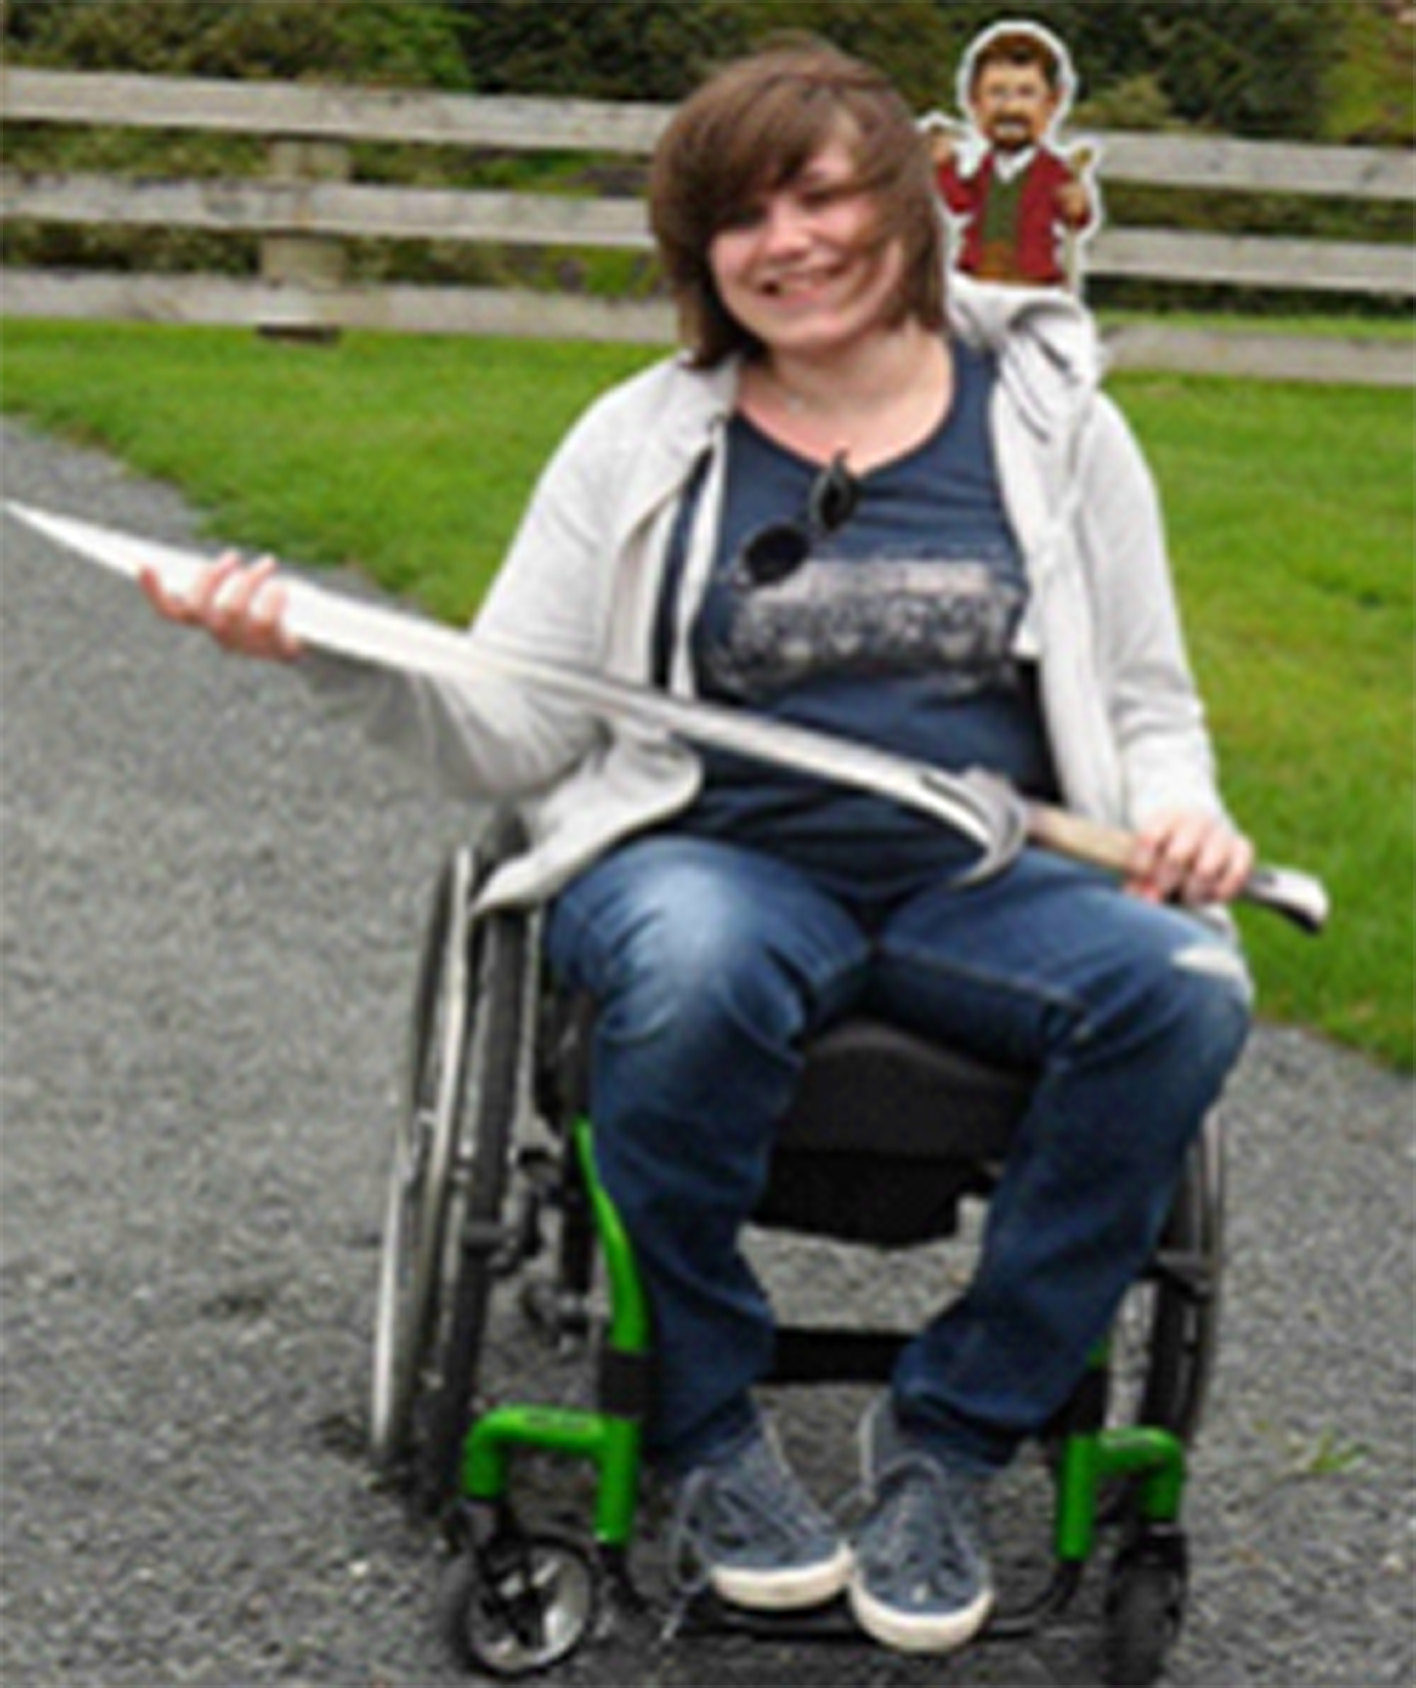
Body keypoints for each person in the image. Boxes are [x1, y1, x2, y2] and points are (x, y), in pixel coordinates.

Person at [140, 39, 1254, 1659]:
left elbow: (1148, 698)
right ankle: (708, 1418)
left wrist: (1179, 805)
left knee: (1180, 988)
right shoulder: (640, 442)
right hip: (709, 855)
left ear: (908, 205)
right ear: (697, 253)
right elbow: (514, 726)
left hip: (985, 878)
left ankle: (948, 1430)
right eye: (738, 216)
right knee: (701, 964)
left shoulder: (1057, 432)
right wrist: (323, 648)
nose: (783, 242)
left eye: (819, 196)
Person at [925, 19, 1098, 289]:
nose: (1010, 107)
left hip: (1033, 279)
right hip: (980, 275)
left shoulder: (1052, 171)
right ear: (975, 102)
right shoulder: (985, 168)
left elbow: (1074, 219)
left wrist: (1078, 205)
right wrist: (945, 166)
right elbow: (961, 203)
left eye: (1026, 93)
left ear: (1052, 102)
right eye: (996, 93)